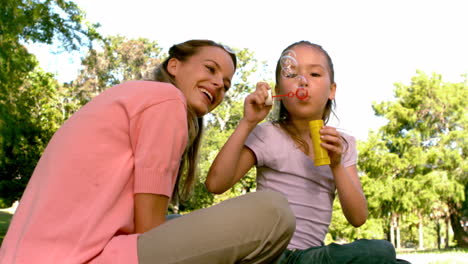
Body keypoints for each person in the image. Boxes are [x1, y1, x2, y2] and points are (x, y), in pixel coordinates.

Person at [0, 39, 295, 264]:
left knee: (184, 223)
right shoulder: (165, 101)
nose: (219, 84)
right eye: (210, 69)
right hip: (79, 258)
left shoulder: (136, 97)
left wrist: (248, 121)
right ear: (174, 65)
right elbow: (150, 231)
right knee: (274, 213)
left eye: (227, 84)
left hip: (35, 254)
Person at [206, 41, 406, 263]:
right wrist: (248, 122)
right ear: (279, 91)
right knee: (381, 255)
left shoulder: (343, 144)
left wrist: (337, 164)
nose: (303, 81)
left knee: (386, 255)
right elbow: (216, 184)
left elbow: (358, 217)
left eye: (314, 73)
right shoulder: (268, 134)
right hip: (272, 255)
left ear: (332, 90)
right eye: (291, 75)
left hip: (309, 256)